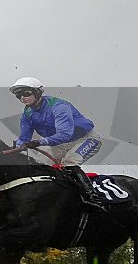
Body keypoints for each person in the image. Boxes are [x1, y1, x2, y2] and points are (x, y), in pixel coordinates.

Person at [9, 77, 106, 211]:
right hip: (59, 143)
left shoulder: (59, 107)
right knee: (39, 166)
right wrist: (13, 148)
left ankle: (92, 197)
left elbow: (64, 134)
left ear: (37, 93)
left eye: (26, 94)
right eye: (18, 95)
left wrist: (39, 142)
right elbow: (24, 138)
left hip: (85, 139)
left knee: (69, 163)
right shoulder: (27, 113)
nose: (22, 98)